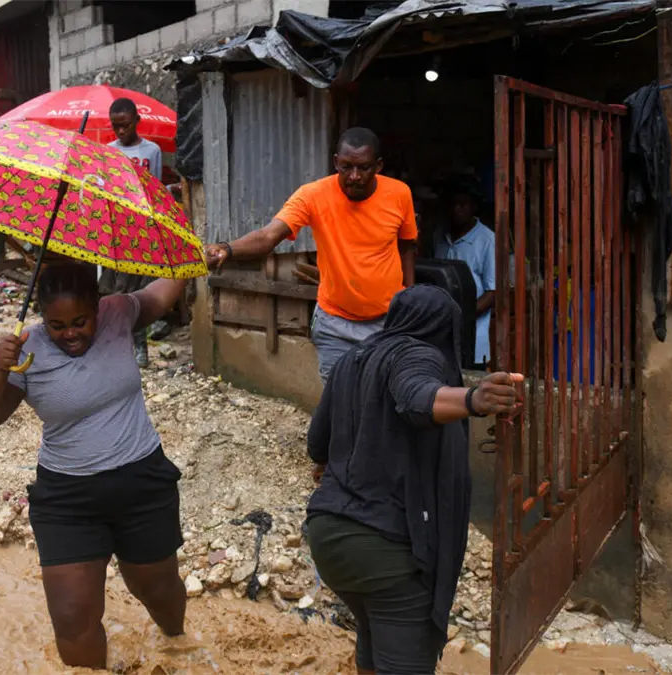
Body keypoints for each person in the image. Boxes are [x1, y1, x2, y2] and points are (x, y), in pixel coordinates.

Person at [0, 263, 189, 670]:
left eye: (80, 322)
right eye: (57, 325)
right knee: (71, 617)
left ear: (98, 306)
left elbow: (159, 295)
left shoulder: (120, 312)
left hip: (142, 484)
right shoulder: (26, 349)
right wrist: (1, 368)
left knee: (157, 591)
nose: (70, 333)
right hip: (67, 499)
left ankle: (178, 648)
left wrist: (190, 262)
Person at [305, 285, 522, 675]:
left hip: (328, 537)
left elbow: (317, 445)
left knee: (373, 640)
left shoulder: (350, 362)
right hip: (387, 549)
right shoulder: (417, 353)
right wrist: (473, 399)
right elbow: (416, 396)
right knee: (400, 647)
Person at [204, 127, 418, 383]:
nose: (354, 176)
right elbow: (268, 236)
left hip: (386, 322)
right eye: (346, 167)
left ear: (379, 166)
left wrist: (410, 296)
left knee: (383, 397)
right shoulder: (312, 195)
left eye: (364, 168)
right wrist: (227, 249)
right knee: (339, 402)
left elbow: (407, 247)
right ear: (335, 162)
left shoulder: (399, 194)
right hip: (334, 324)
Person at [99, 97, 164, 368]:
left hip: (142, 229)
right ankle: (115, 346)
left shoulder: (152, 151)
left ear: (137, 121)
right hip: (116, 228)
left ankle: (141, 347)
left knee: (138, 288)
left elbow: (157, 190)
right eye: (116, 127)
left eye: (125, 125)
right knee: (114, 288)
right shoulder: (107, 151)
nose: (121, 131)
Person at [432, 178, 495, 368]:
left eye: (462, 204)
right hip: (441, 332)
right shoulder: (440, 235)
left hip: (474, 335)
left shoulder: (487, 240)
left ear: (473, 207)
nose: (456, 210)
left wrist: (462, 316)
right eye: (452, 204)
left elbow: (493, 292)